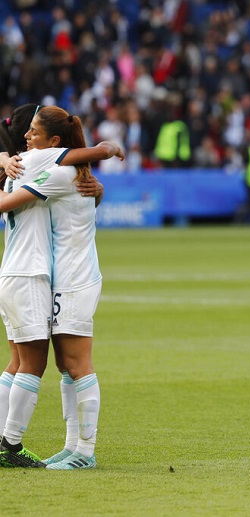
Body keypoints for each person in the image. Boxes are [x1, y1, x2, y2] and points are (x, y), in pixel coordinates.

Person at [0, 104, 123, 468]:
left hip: (72, 277)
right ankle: (72, 447)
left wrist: (106, 152)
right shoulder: (52, 168)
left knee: (74, 363)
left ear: (53, 142)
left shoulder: (50, 169)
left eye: (33, 133)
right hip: (47, 276)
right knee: (60, 365)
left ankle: (82, 451)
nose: (26, 139)